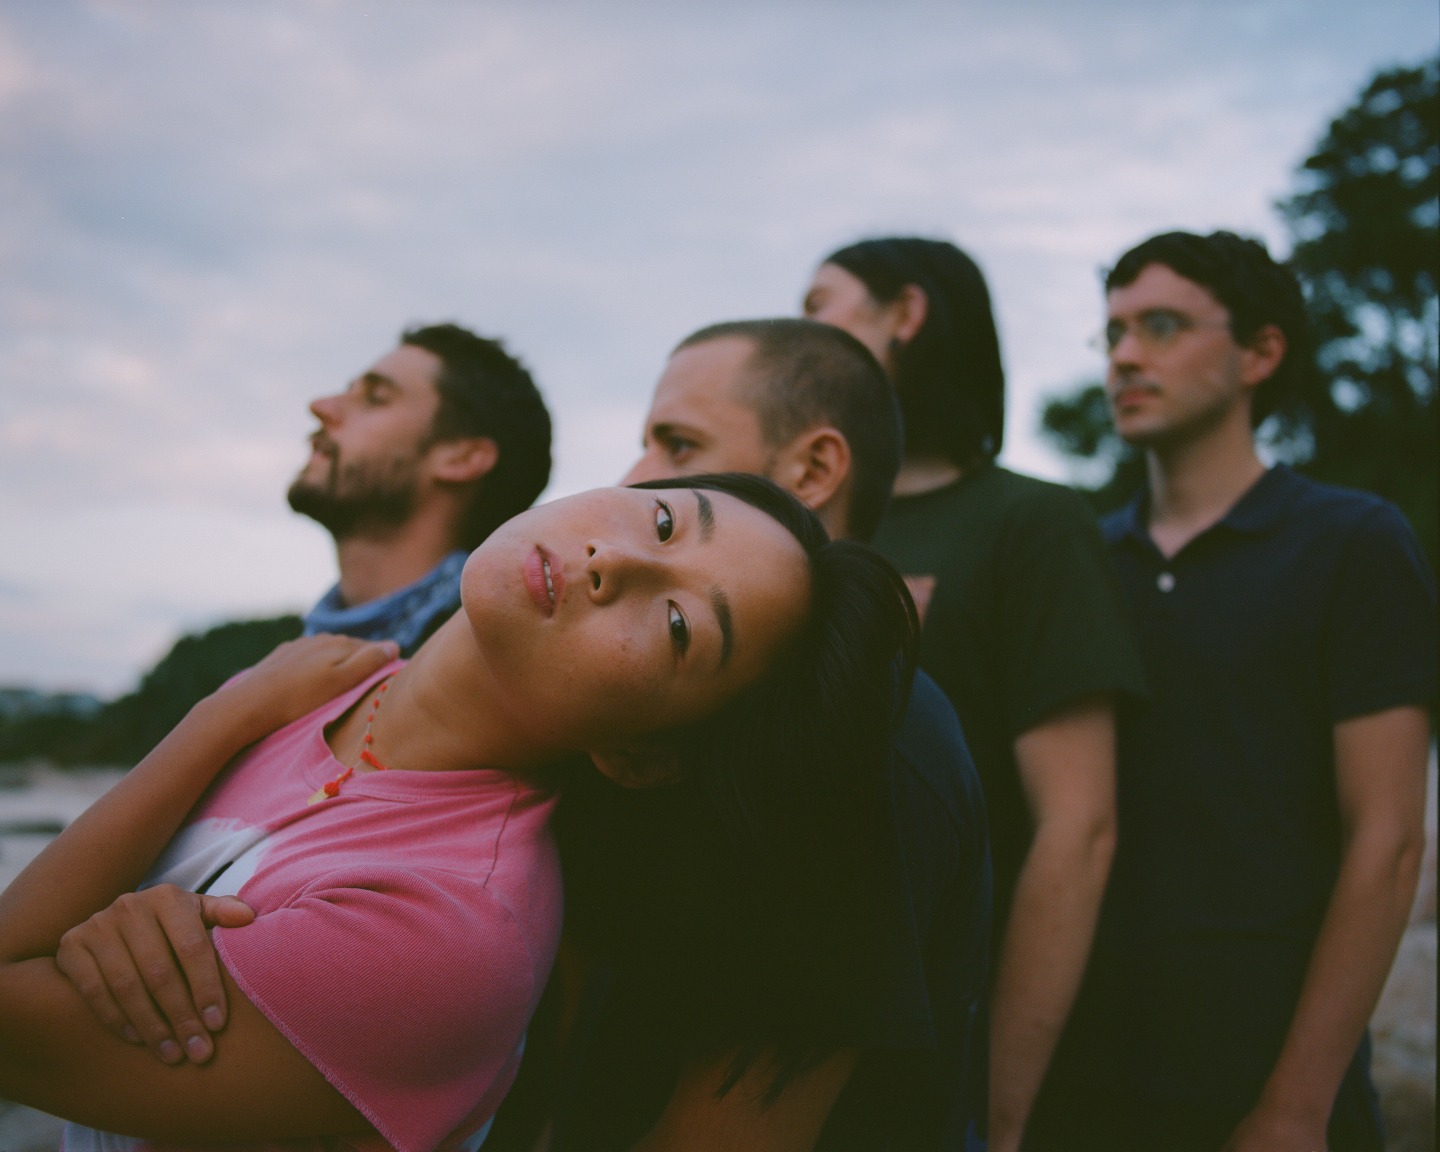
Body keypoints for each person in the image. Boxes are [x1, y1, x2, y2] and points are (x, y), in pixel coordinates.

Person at [0, 475, 919, 1152]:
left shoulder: (447, 930)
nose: (618, 561)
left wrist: (216, 719)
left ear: (639, 758)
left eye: (679, 626)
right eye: (665, 518)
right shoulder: (316, 688)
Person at [497, 318, 990, 1151]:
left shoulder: (877, 741)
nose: (635, 477)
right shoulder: (659, 704)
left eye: (678, 446)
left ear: (815, 468)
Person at [1029, 231, 1436, 1152]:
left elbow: (1390, 839)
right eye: (1115, 333)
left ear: (1260, 353)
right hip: (1081, 1079)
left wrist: (1297, 1103)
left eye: (1162, 326)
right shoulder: (1080, 560)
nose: (1126, 356)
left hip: (1267, 1076)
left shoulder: (1352, 542)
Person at [803, 237, 1148, 1152]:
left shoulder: (1029, 523)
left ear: (905, 315)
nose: (798, 335)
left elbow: (1078, 830)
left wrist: (996, 1113)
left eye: (820, 305)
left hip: (931, 1076)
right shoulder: (786, 538)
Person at [288, 323, 553, 654]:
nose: (321, 406)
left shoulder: (503, 669)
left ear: (462, 457)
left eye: (376, 398)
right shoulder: (272, 679)